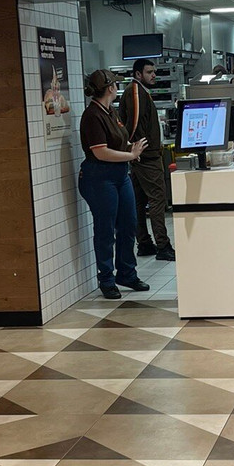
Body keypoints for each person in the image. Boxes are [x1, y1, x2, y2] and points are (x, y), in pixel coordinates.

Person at [78, 69, 151, 300]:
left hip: (119, 175)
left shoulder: (110, 111)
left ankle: (127, 273)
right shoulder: (92, 116)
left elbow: (117, 142)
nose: (117, 87)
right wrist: (131, 155)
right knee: (105, 230)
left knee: (129, 224)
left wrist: (130, 149)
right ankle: (107, 279)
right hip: (99, 177)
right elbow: (101, 152)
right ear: (110, 88)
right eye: (115, 84)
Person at [118, 59, 175, 261]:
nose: (154, 75)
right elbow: (133, 124)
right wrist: (135, 147)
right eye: (149, 72)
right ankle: (162, 245)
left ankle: (144, 243)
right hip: (147, 157)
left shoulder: (139, 91)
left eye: (154, 72)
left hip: (141, 156)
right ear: (138, 74)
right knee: (157, 199)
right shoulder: (136, 92)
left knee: (140, 201)